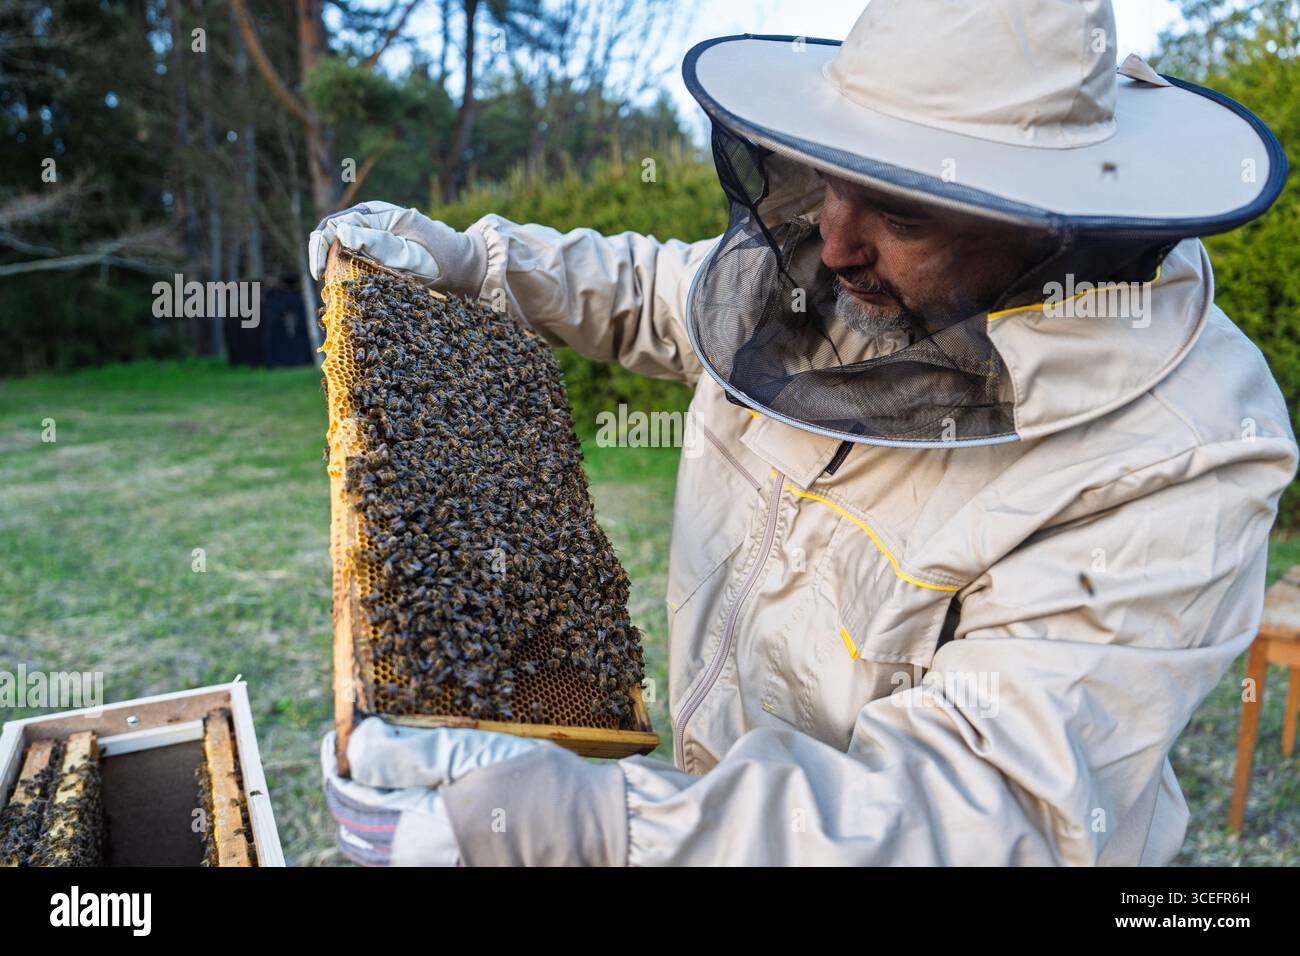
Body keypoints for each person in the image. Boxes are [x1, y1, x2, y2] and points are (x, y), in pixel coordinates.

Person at [313, 0, 1296, 865]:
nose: (833, 242)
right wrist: (475, 265)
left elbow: (987, 808)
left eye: (901, 212)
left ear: (1049, 226)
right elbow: (666, 295)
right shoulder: (836, 278)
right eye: (828, 176)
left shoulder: (1185, 449)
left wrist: (594, 829)